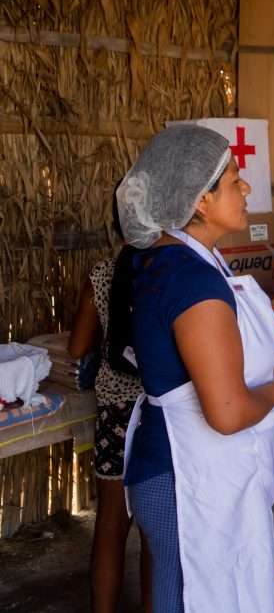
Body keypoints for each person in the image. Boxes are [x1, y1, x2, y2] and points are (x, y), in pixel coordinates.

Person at [117, 124, 274, 613]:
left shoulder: (180, 260)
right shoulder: (191, 281)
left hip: (195, 470)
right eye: (234, 179)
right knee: (193, 596)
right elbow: (228, 413)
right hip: (185, 478)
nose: (246, 187)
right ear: (199, 202)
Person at [67, 190, 150, 613]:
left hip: (117, 415)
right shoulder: (167, 273)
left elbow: (78, 346)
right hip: (159, 413)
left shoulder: (102, 274)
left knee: (111, 527)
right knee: (157, 531)